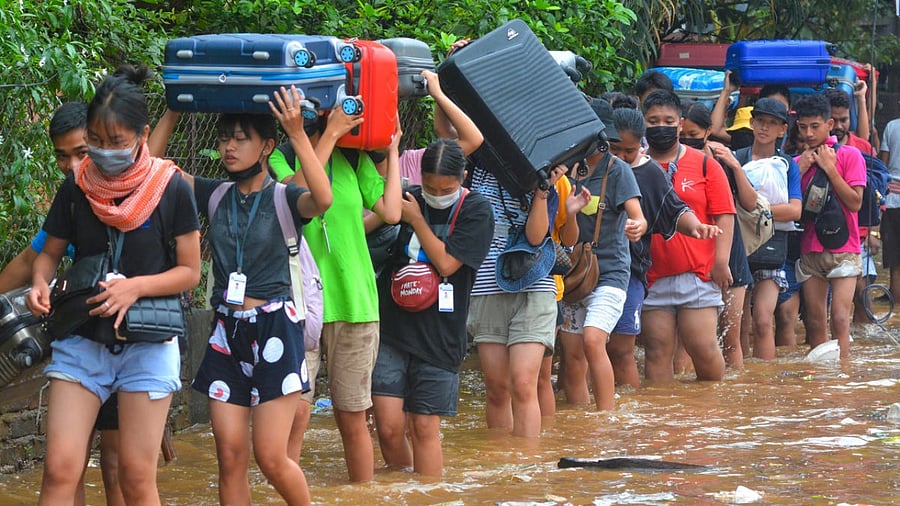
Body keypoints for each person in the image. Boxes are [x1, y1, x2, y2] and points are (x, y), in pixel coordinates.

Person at [25, 65, 201, 505]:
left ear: (142, 134)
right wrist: (39, 283)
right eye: (97, 142)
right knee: (60, 470)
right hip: (82, 343)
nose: (104, 153)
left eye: (116, 142)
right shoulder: (75, 188)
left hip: (147, 346)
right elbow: (48, 252)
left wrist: (135, 287)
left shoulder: (172, 188)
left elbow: (190, 272)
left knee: (136, 479)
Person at [164, 85, 329, 504]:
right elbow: (151, 166)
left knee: (271, 458)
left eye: (241, 138)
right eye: (224, 138)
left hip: (276, 330)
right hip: (226, 332)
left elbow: (323, 198)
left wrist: (297, 133)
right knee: (230, 456)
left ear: (266, 145)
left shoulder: (283, 198)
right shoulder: (214, 194)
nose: (229, 147)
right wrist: (173, 109)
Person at [268, 90, 402, 482]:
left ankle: (361, 495)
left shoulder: (354, 159)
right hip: (299, 305)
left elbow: (392, 212)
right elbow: (295, 196)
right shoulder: (280, 158)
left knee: (352, 417)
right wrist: (324, 138)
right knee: (295, 416)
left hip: (355, 302)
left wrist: (391, 153)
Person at [0, 102, 127, 506]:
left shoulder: (136, 189)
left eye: (81, 153)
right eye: (62, 156)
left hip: (130, 341)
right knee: (65, 465)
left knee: (119, 467)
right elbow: (32, 258)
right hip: (80, 340)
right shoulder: (70, 198)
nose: (71, 166)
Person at [371, 138, 493, 476]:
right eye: (429, 186)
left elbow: (448, 263)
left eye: (446, 188)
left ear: (463, 178)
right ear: (419, 177)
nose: (437, 194)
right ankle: (400, 490)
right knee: (388, 426)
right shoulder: (406, 198)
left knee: (424, 428)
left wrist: (417, 220)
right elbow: (362, 228)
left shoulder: (477, 211)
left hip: (440, 336)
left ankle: (428, 495)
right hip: (391, 330)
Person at [607, 106, 722, 388]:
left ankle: (713, 404)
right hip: (614, 273)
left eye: (629, 152)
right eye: (615, 150)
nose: (622, 158)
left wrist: (696, 227)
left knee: (701, 348)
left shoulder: (649, 173)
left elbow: (674, 209)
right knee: (652, 350)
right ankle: (652, 417)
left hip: (641, 271)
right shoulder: (591, 168)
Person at [466, 159, 571, 437]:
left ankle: (526, 465)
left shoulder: (544, 171)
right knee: (497, 388)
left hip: (534, 286)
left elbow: (536, 238)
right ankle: (503, 465)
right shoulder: (476, 166)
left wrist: (541, 190)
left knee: (525, 384)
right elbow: (447, 128)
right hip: (486, 286)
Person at [640, 90, 734, 383]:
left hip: (697, 272)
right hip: (652, 273)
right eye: (653, 121)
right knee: (656, 350)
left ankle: (711, 411)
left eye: (668, 120)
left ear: (680, 123)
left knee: (702, 347)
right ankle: (663, 419)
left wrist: (721, 262)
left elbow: (724, 214)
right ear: (643, 123)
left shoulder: (706, 164)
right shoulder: (635, 167)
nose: (661, 126)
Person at [558, 99, 646, 410]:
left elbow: (637, 214)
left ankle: (605, 417)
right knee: (571, 355)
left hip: (610, 271)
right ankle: (581, 420)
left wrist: (638, 226)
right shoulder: (562, 168)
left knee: (594, 339)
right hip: (570, 272)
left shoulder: (618, 170)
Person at [713, 98, 802, 359]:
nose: (765, 128)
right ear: (751, 123)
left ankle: (763, 383)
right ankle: (743, 383)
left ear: (782, 130)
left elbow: (795, 211)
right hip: (739, 248)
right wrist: (769, 211)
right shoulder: (733, 160)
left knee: (763, 320)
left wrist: (754, 211)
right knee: (738, 324)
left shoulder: (787, 165)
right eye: (760, 121)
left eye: (772, 123)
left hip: (773, 250)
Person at [794, 94, 866, 359]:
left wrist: (830, 169)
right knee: (814, 321)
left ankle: (843, 374)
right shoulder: (797, 162)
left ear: (829, 124)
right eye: (803, 127)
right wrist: (799, 170)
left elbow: (855, 203)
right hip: (810, 249)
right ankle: (821, 379)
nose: (809, 133)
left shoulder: (850, 156)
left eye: (815, 126)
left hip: (844, 249)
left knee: (839, 318)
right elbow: (791, 206)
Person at [683, 100, 753, 369]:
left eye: (694, 135)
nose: (687, 140)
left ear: (709, 130)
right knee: (690, 340)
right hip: (692, 251)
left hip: (729, 251)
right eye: (684, 134)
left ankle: (732, 397)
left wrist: (735, 166)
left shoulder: (724, 160)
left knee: (731, 336)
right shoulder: (674, 161)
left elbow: (749, 203)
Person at [879, 117, 900, 301]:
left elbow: (882, 166)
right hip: (893, 200)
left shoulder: (892, 126)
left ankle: (895, 301)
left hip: (893, 200)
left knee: (895, 261)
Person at [824, 88, 875, 156]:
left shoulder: (864, 147)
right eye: (833, 121)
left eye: (843, 120)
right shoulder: (813, 147)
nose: (838, 126)